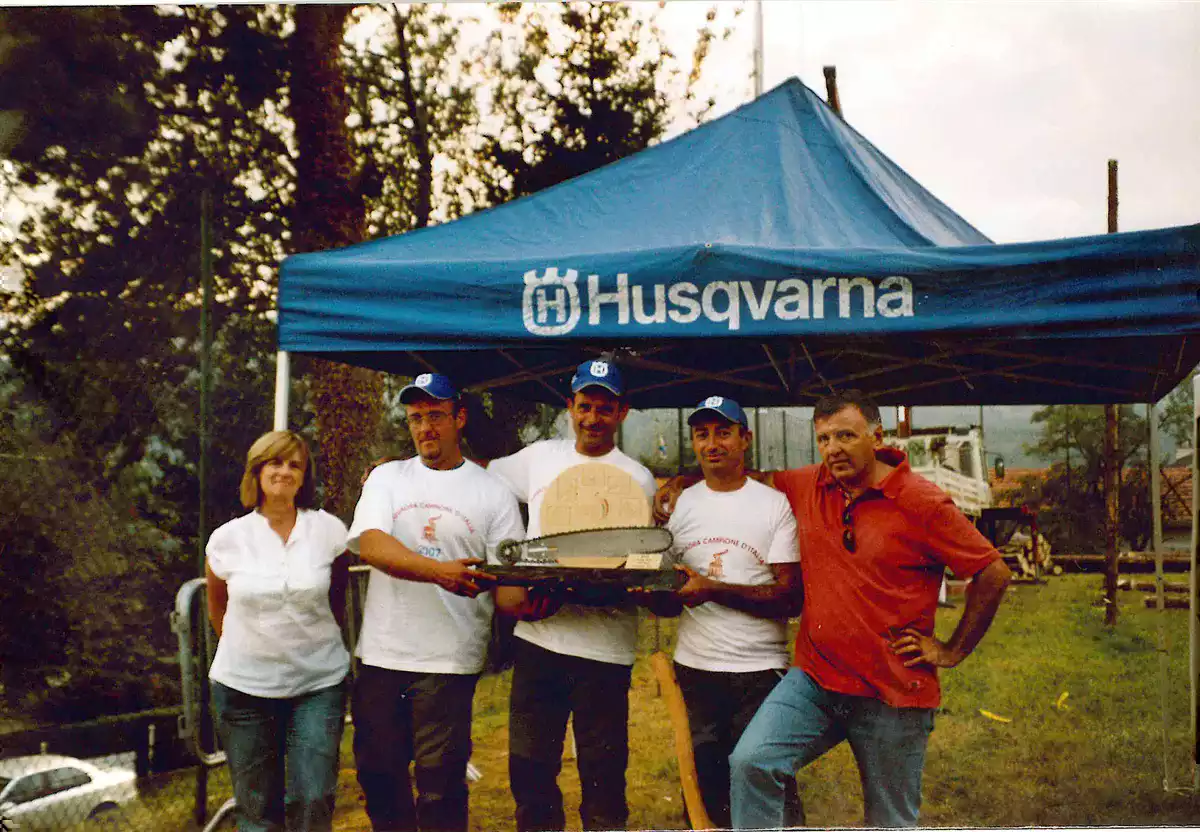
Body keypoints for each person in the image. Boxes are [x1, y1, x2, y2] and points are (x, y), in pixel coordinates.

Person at [725, 389, 1013, 829]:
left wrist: (952, 650)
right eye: (823, 439)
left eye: (846, 435)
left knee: (889, 821)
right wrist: (683, 483)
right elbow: (753, 480)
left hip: (893, 692)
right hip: (816, 682)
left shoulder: (922, 502)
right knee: (752, 762)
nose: (833, 449)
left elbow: (992, 572)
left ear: (877, 436)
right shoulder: (809, 484)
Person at [347, 373, 523, 832]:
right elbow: (370, 544)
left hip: (449, 660)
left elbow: (509, 586)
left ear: (459, 419)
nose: (425, 427)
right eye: (416, 418)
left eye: (436, 416)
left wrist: (539, 600)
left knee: (440, 785)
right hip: (383, 655)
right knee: (378, 774)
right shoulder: (388, 477)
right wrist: (440, 572)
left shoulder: (493, 493)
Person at [490, 359, 657, 832]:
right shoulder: (538, 457)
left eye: (605, 409)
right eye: (585, 406)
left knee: (603, 777)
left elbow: (639, 557)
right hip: (540, 639)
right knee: (529, 768)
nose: (592, 419)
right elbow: (479, 478)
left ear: (621, 412)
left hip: (606, 649)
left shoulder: (638, 477)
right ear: (570, 406)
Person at [641, 395, 805, 830]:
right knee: (705, 788)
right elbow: (668, 597)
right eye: (702, 434)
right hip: (695, 668)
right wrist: (649, 589)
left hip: (759, 670)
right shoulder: (682, 506)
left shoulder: (773, 505)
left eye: (723, 432)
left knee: (765, 779)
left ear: (745, 439)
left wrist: (712, 589)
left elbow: (790, 598)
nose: (713, 443)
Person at [206, 430, 351, 832]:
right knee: (256, 811)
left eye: (295, 464)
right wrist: (254, 650)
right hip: (243, 691)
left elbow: (335, 600)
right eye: (275, 462)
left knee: (313, 797)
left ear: (304, 477)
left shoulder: (329, 531)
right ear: (257, 470)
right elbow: (217, 607)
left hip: (318, 684)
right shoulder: (227, 539)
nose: (284, 471)